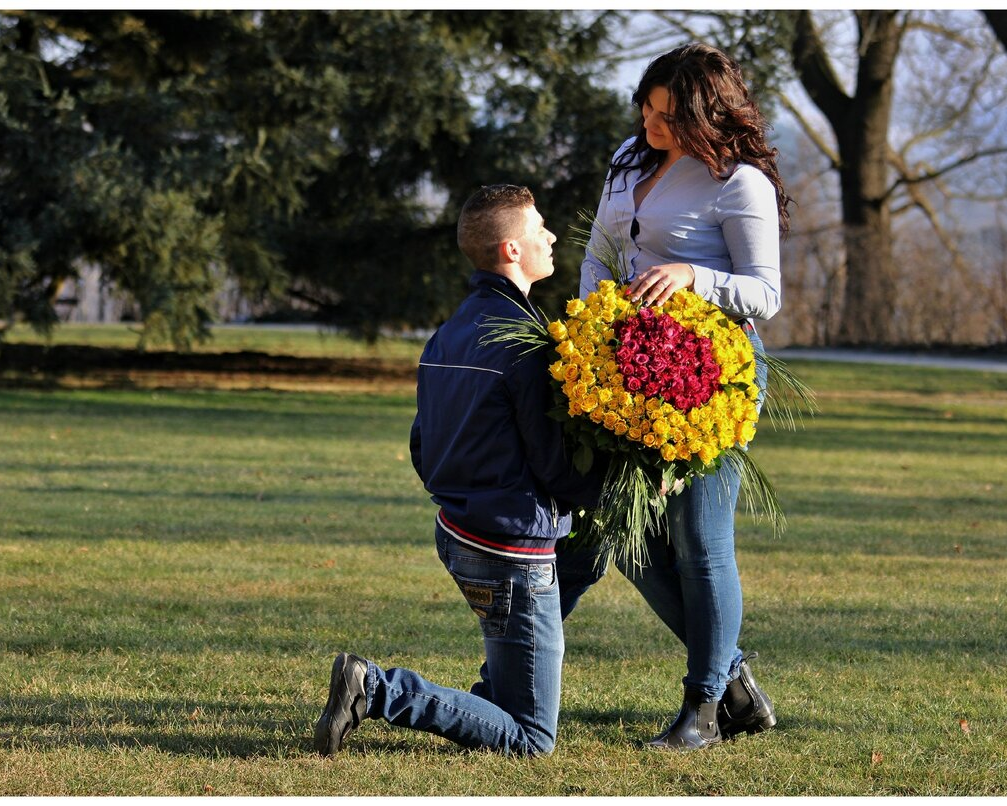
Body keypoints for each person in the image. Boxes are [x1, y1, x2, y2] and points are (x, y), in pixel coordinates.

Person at [313, 184, 603, 757]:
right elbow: (553, 467)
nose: (550, 236)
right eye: (539, 227)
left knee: (583, 564)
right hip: (510, 550)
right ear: (510, 251)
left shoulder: (449, 331)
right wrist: (615, 485)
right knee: (530, 739)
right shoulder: (526, 344)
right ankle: (375, 689)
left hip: (459, 532)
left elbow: (423, 445)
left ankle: (485, 698)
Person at [574, 43, 789, 751]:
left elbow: (765, 295)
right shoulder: (628, 158)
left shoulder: (740, 183)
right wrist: (585, 339)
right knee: (627, 536)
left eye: (667, 114)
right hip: (622, 374)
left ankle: (701, 711)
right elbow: (598, 251)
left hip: (710, 381)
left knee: (699, 540)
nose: (650, 121)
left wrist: (694, 275)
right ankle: (734, 684)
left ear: (706, 113)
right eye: (645, 105)